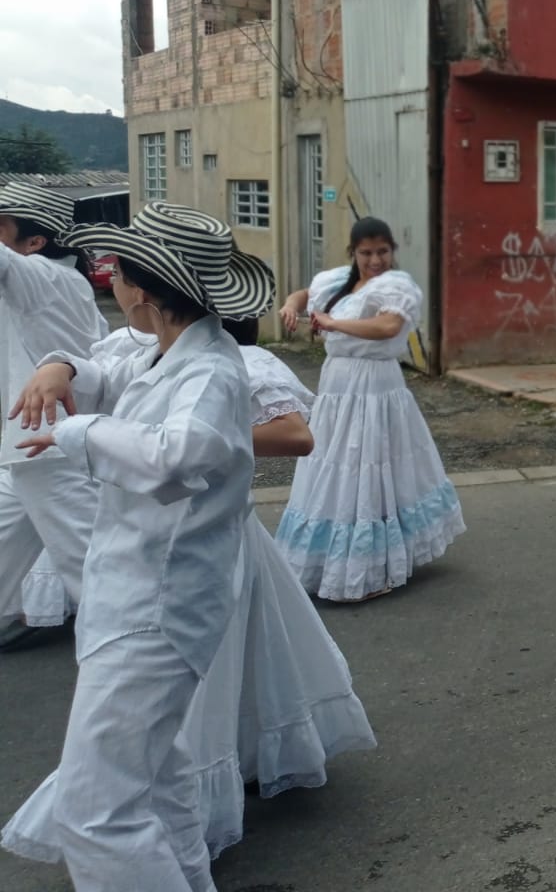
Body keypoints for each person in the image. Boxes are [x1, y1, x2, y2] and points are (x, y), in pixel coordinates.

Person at [4, 314, 376, 863]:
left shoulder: (231, 365)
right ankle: (172, 816)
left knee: (215, 673)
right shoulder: (152, 355)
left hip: (213, 544)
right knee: (192, 690)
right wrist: (58, 365)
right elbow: (102, 372)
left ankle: (172, 811)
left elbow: (295, 434)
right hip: (165, 544)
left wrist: (208, 436)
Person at [4, 202, 269, 890]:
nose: (107, 281)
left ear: (141, 288)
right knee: (155, 784)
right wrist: (62, 367)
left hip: (157, 610)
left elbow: (173, 455)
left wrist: (76, 432)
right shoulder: (167, 350)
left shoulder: (208, 373)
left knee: (96, 813)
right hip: (137, 598)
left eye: (115, 272)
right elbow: (106, 371)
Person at [275, 217, 464, 601]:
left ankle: (377, 565)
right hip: (337, 386)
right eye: (366, 253)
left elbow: (388, 327)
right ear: (354, 253)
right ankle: (334, 556)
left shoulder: (397, 285)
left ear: (392, 251)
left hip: (375, 385)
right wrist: (290, 305)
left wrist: (334, 323)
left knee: (371, 467)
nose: (375, 259)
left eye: (382, 251)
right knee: (335, 467)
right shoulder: (335, 282)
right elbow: (303, 293)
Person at [0, 184, 108, 653]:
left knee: (95, 569)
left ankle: (138, 656)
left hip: (49, 449)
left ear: (35, 242)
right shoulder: (70, 281)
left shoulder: (40, 276)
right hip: (32, 448)